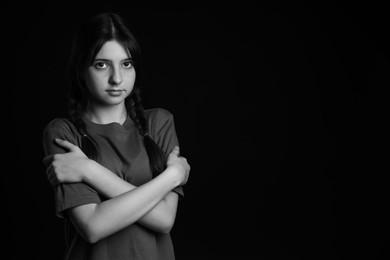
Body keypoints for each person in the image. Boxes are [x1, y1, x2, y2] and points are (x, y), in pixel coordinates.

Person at [42, 12, 190, 260]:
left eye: (126, 64)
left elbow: (165, 220)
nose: (117, 78)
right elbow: (93, 227)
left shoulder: (159, 123)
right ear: (81, 70)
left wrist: (89, 171)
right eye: (102, 64)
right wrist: (172, 176)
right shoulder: (62, 133)